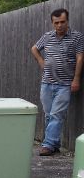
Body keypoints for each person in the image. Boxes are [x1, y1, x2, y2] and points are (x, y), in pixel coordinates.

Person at [31, 8, 84, 156]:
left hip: (65, 84)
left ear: (67, 21)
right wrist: (42, 62)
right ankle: (54, 144)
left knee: (56, 115)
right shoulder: (47, 36)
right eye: (56, 23)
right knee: (48, 115)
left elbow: (80, 57)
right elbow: (34, 49)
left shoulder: (77, 37)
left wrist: (77, 79)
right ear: (52, 23)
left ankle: (47, 145)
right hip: (47, 82)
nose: (59, 25)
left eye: (62, 22)